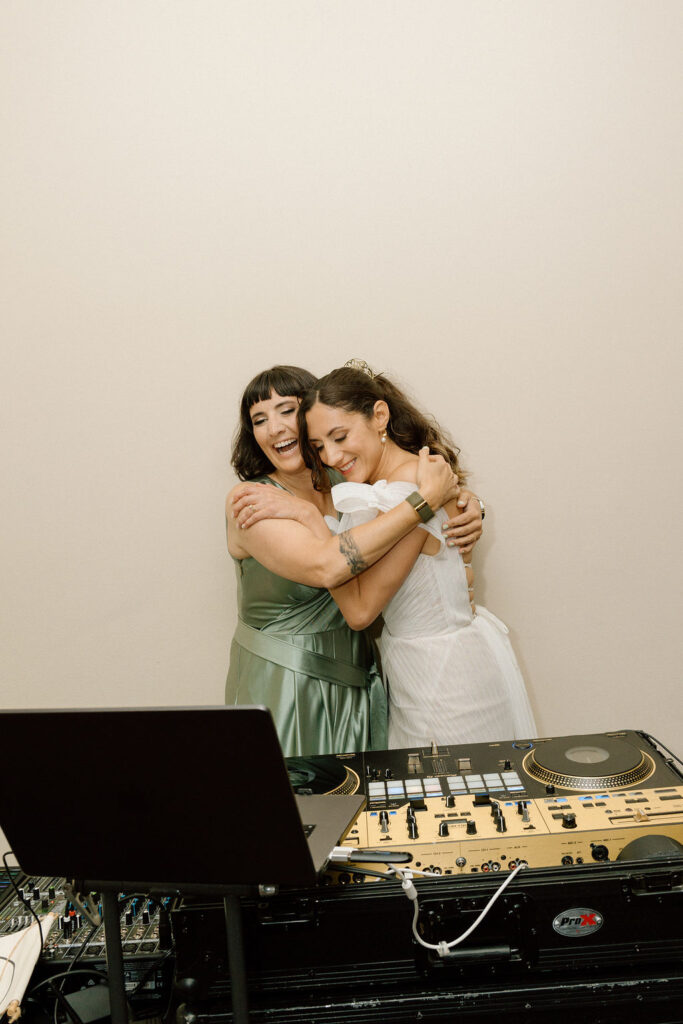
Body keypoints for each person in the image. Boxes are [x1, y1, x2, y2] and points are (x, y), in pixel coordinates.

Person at [225, 365, 484, 757]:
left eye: (285, 411)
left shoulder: (350, 482)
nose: (274, 428)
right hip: (285, 685)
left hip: (361, 683)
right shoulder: (251, 502)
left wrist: (468, 506)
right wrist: (428, 502)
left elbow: (410, 502)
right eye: (259, 419)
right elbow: (328, 564)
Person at [296, 362, 537, 749]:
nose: (332, 456)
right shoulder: (402, 482)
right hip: (423, 668)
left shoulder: (409, 488)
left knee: (455, 800)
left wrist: (313, 525)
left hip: (447, 680)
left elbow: (360, 612)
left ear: (379, 416)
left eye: (340, 436)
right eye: (320, 446)